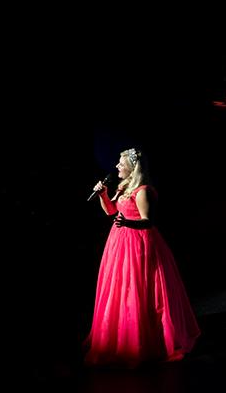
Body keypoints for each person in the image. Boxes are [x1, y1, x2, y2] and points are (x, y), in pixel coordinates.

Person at [86, 148, 200, 367]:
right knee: (120, 286)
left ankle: (148, 337)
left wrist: (127, 223)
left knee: (140, 287)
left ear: (132, 166)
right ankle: (123, 333)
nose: (117, 166)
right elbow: (111, 211)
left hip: (140, 244)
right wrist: (102, 194)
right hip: (120, 242)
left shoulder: (143, 191)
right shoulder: (123, 187)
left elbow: (148, 221)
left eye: (121, 163)